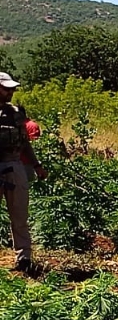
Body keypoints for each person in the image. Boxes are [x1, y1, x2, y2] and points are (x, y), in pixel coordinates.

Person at [0, 72, 47, 275]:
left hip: (15, 165)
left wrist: (36, 165)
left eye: (12, 88)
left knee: (20, 213)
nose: (11, 92)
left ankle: (24, 259)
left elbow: (25, 142)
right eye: (6, 88)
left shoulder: (17, 112)